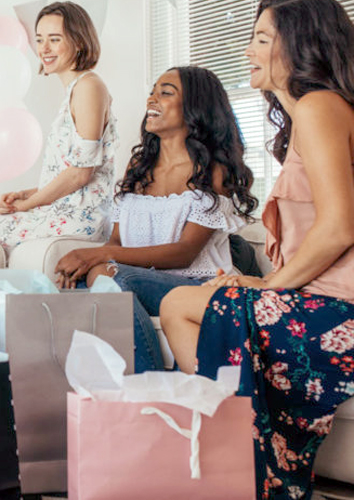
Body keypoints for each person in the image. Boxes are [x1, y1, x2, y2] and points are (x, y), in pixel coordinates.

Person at [160, 0, 354, 499]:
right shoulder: (309, 115)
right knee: (186, 301)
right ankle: (237, 460)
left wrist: (268, 285)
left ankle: (236, 462)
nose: (247, 50)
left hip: (340, 309)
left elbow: (338, 228)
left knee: (181, 303)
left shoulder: (319, 107)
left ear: (301, 45)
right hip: (320, 299)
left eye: (261, 38)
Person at [54, 66, 258, 372]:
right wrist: (95, 262)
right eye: (153, 91)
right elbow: (117, 241)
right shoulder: (139, 165)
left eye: (166, 92)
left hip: (198, 284)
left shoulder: (214, 170)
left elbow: (185, 251)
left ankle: (147, 384)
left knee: (115, 278)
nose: (152, 99)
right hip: (139, 278)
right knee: (84, 285)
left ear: (194, 107)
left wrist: (99, 255)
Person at [0, 1, 116, 254]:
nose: (44, 49)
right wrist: (23, 194)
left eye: (54, 39)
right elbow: (67, 174)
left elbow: (81, 174)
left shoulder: (88, 87)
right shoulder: (75, 90)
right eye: (39, 40)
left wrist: (27, 205)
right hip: (64, 208)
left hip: (80, 218)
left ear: (80, 42)